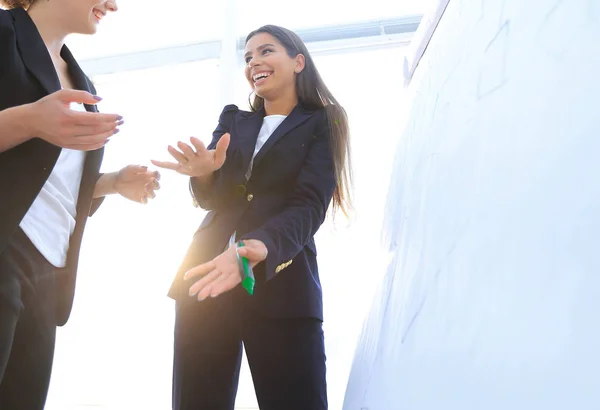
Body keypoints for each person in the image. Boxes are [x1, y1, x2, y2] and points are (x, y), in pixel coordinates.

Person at [152, 24, 352, 410]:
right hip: (205, 276)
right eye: (247, 57)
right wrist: (204, 174)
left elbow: (311, 203)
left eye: (265, 51)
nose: (254, 62)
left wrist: (261, 244)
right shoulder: (233, 121)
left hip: (282, 281)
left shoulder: (325, 120)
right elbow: (213, 199)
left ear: (298, 61)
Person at [0, 1, 160, 408]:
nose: (113, 4)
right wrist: (29, 121)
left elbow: (46, 182)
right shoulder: (3, 32)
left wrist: (110, 184)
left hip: (48, 273)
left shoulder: (81, 79)